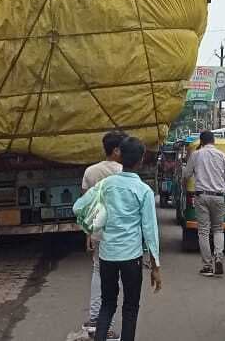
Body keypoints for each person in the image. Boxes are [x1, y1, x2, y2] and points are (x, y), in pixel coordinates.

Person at [74, 137, 163, 341]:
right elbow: (150, 230)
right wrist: (155, 266)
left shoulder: (105, 185)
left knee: (107, 304)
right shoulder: (143, 191)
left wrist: (96, 220)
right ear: (141, 160)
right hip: (132, 257)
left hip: (107, 255)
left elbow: (78, 207)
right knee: (130, 307)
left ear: (120, 156)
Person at [80, 131, 128, 337]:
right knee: (115, 279)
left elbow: (86, 206)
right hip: (122, 233)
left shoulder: (91, 172)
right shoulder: (125, 172)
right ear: (117, 150)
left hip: (99, 230)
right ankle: (105, 327)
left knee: (98, 272)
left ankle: (94, 319)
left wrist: (88, 233)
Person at [183, 130, 225, 276]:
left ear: (202, 142)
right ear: (213, 141)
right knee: (218, 229)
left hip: (202, 196)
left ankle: (207, 266)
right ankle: (219, 256)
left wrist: (185, 184)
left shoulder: (196, 154)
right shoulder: (222, 156)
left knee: (204, 231)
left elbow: (186, 174)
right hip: (219, 197)